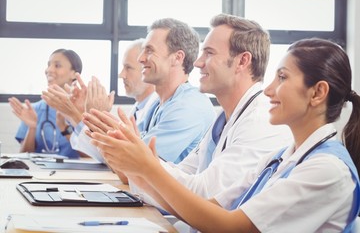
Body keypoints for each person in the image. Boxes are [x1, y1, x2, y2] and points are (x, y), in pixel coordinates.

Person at [91, 38, 360, 232]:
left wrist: (149, 169)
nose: (268, 90)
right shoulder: (279, 158)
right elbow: (209, 208)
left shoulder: (327, 171)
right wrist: (142, 172)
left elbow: (229, 226)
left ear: (317, 93)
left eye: (282, 78)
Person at [127, 13, 291, 208]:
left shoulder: (261, 122)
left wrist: (143, 165)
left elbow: (205, 195)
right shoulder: (224, 118)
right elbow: (185, 172)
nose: (197, 62)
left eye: (209, 53)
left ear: (242, 61)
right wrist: (140, 165)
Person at [83, 18, 216, 164]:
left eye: (149, 50)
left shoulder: (190, 106)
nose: (141, 58)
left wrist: (100, 117)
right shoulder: (156, 105)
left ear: (177, 58)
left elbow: (134, 163)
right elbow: (125, 154)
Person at [8, 49, 82, 158]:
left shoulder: (84, 111)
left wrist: (65, 129)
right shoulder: (34, 110)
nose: (49, 70)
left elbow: (89, 156)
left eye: (57, 65)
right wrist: (32, 127)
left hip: (76, 174)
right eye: (49, 65)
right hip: (41, 174)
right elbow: (24, 157)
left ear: (74, 74)